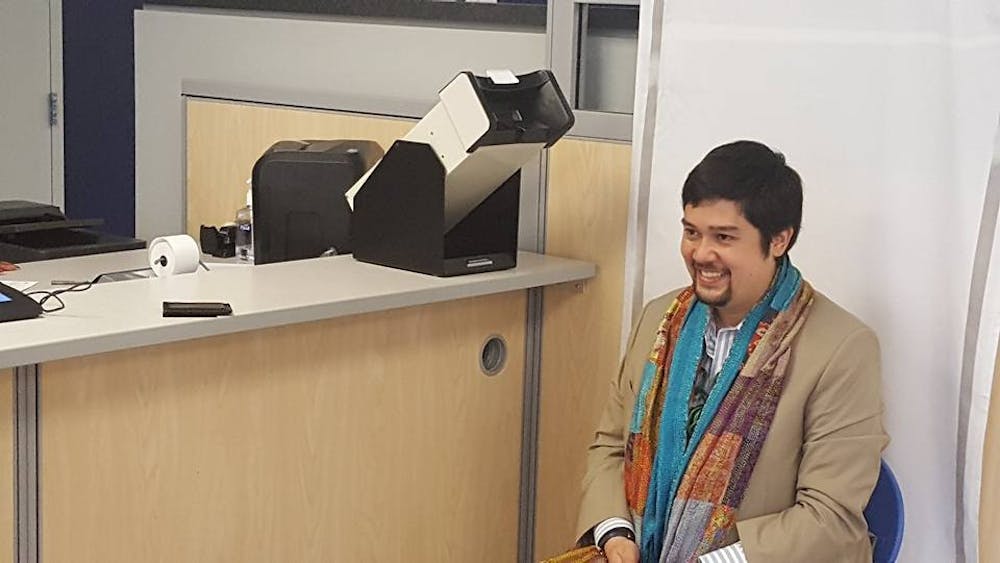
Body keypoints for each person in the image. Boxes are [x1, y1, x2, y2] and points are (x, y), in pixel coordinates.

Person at [575, 141, 888, 562]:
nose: (701, 253)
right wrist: (615, 534)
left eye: (723, 237)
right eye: (691, 232)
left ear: (779, 240)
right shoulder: (658, 318)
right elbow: (611, 446)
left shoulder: (843, 348)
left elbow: (829, 517)